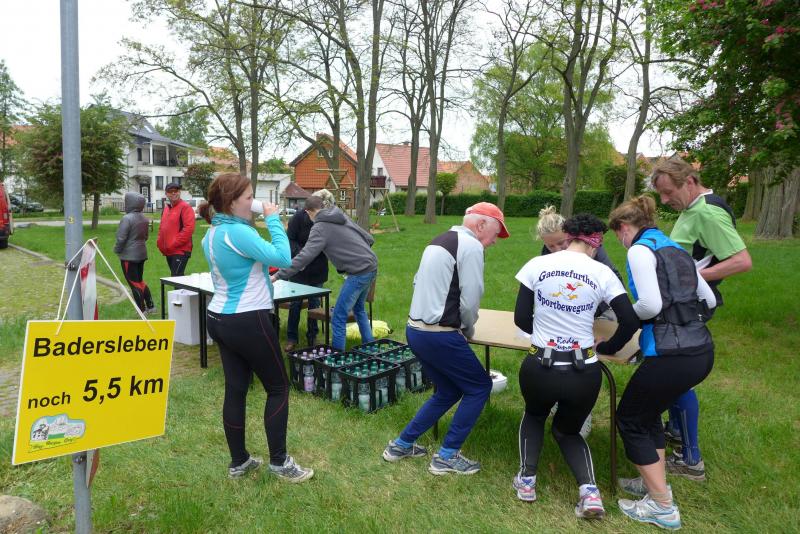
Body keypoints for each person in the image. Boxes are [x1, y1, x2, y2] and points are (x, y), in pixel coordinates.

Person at [512, 213, 638, 518]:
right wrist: (607, 346)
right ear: (596, 243)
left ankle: (527, 482)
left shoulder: (537, 265)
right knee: (568, 431)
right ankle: (590, 494)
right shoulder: (602, 272)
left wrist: (545, 329)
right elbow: (630, 320)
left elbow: (521, 318)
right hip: (584, 371)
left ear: (567, 236)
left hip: (540, 365)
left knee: (534, 416)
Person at [608, 195, 716, 530]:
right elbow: (709, 300)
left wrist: (622, 316)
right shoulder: (676, 249)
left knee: (630, 419)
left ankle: (662, 507)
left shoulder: (640, 250)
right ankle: (651, 482)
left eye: (618, 235)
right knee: (649, 413)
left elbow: (650, 305)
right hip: (701, 351)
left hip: (670, 355)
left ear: (624, 228)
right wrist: (686, 321)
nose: (621, 242)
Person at [199, 173, 313, 482]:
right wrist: (273, 219)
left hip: (219, 317)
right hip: (248, 318)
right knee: (278, 387)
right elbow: (283, 257)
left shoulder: (212, 233)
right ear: (231, 202)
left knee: (236, 389)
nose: (255, 202)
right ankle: (280, 462)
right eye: (249, 197)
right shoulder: (239, 233)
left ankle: (240, 461)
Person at [382, 202, 509, 475]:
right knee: (479, 387)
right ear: (481, 224)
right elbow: (471, 298)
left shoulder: (438, 240)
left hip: (415, 330)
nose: (495, 241)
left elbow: (416, 281)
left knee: (449, 391)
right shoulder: (471, 246)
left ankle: (401, 445)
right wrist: (468, 329)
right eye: (496, 234)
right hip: (440, 334)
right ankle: (447, 456)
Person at [652, 159, 751, 480]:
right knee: (673, 369)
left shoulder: (707, 212)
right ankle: (676, 430)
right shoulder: (693, 208)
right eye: (661, 194)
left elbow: (741, 261)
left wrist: (690, 278)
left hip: (689, 305)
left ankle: (690, 460)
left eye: (669, 192)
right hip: (680, 303)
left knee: (676, 373)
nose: (664, 200)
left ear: (690, 181)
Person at [535, 205, 627, 439]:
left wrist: (587, 311)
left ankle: (581, 413)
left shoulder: (593, 249)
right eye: (550, 246)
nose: (557, 249)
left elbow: (614, 282)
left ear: (571, 236)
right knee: (555, 357)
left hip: (600, 311)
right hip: (565, 313)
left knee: (583, 360)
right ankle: (557, 401)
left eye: (560, 243)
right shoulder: (546, 256)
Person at [272, 195, 378, 351]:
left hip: (358, 272)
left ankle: (336, 360)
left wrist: (277, 275)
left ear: (308, 212)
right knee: (359, 309)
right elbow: (368, 238)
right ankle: (371, 350)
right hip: (372, 266)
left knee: (338, 317)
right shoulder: (340, 215)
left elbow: (304, 256)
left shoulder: (320, 227)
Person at [283, 189, 332, 352]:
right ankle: (292, 338)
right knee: (295, 303)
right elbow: (289, 239)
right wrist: (301, 255)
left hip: (318, 268)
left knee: (314, 303)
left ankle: (313, 336)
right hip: (299, 269)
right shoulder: (297, 218)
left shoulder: (326, 220)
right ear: (307, 211)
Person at [114, 192, 155, 313]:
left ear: (129, 203)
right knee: (139, 281)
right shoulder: (144, 218)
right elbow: (146, 237)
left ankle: (141, 310)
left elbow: (121, 238)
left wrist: (117, 250)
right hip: (141, 253)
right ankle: (151, 306)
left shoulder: (127, 218)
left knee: (134, 283)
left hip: (129, 256)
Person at [157, 182, 196, 276]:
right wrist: (160, 243)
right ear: (166, 194)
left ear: (180, 192)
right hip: (169, 250)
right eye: (170, 191)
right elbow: (162, 228)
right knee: (177, 278)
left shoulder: (185, 207)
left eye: (176, 191)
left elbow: (189, 229)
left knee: (176, 277)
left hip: (180, 250)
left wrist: (174, 243)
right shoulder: (166, 209)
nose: (174, 193)